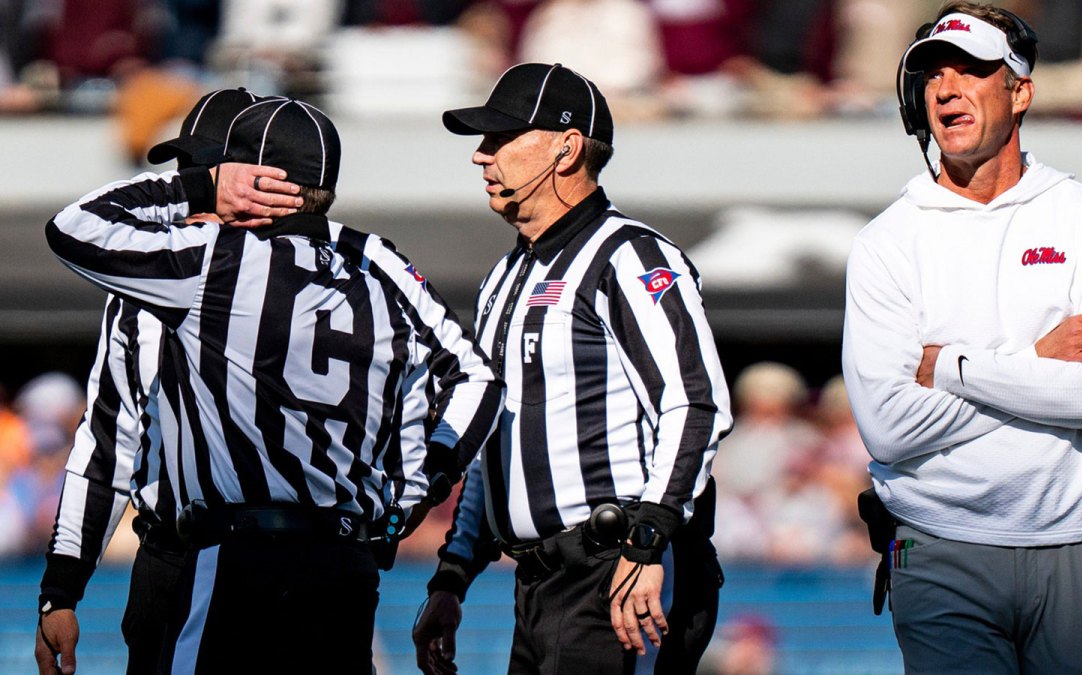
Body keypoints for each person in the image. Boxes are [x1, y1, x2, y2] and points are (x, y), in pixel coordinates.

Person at [42, 96, 503, 674]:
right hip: (339, 560)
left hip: (229, 554)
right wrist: (415, 493)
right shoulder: (375, 275)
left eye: (213, 172)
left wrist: (201, 190)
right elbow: (460, 384)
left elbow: (72, 228)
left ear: (252, 182)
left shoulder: (213, 263)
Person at [841, 3, 1082, 673]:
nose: (947, 88)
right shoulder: (886, 241)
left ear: (1021, 90)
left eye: (972, 70)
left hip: (1079, 549)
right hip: (935, 548)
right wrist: (1039, 360)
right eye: (932, 75)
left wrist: (949, 366)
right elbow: (889, 429)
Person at [411, 62, 732, 674]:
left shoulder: (629, 255)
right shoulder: (504, 276)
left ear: (566, 148)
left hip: (615, 570)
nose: (482, 156)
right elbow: (494, 436)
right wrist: (451, 578)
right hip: (540, 583)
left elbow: (694, 403)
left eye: (501, 139)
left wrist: (648, 541)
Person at [34, 86, 277, 675]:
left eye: (201, 172)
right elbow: (109, 441)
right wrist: (61, 588)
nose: (187, 188)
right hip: (185, 551)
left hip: (286, 557)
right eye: (186, 175)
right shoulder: (148, 291)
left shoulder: (332, 274)